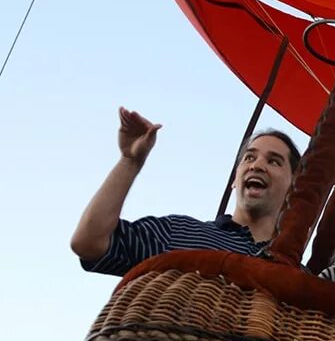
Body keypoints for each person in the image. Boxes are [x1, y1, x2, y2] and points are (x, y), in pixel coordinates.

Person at [71, 107, 301, 276]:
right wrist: (129, 161)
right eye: (249, 157)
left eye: (274, 161)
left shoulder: (295, 272)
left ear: (292, 188)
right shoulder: (176, 233)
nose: (257, 165)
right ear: (234, 180)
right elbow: (89, 242)